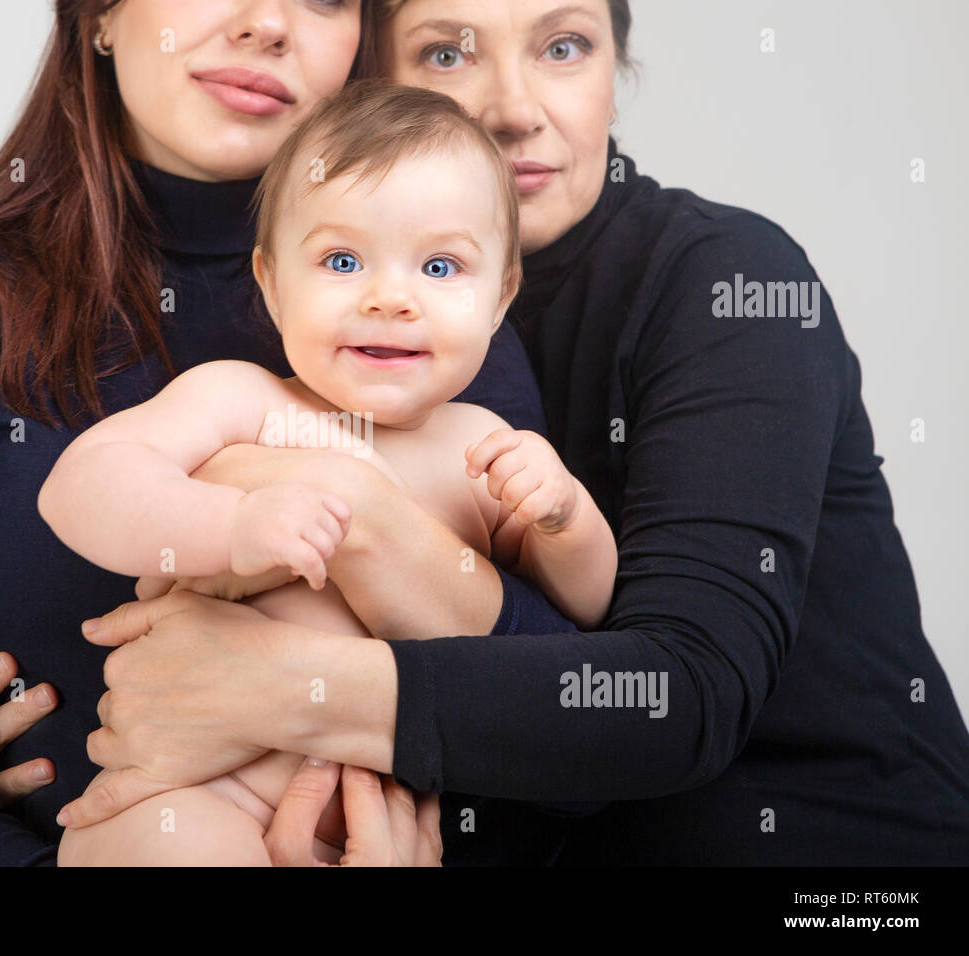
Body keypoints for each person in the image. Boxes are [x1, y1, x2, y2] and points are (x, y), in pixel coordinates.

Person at [55, 0, 969, 865]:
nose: (513, 110)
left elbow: (661, 685)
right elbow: (96, 488)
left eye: (564, 46)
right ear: (370, 81)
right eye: (447, 53)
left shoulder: (727, 283)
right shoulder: (306, 359)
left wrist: (274, 686)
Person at [0, 0, 569, 865]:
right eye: (338, 262)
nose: (268, 21)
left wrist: (316, 653)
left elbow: (568, 731)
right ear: (102, 14)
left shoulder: (427, 329)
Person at [39, 81, 617, 864]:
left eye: (441, 267)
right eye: (342, 260)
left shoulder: (483, 448)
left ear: (499, 298)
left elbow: (580, 611)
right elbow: (81, 486)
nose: (390, 299)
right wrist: (231, 527)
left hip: (390, 826)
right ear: (273, 285)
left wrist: (564, 518)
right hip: (199, 798)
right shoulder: (239, 399)